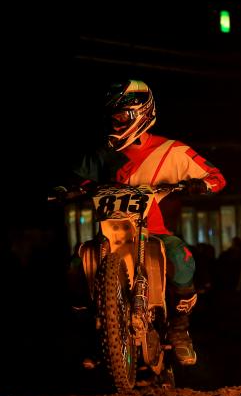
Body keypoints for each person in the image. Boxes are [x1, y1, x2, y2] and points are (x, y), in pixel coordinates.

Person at [68, 79, 226, 366]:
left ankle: (179, 330)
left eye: (121, 116)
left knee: (180, 258)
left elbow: (216, 177)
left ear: (140, 113)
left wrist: (200, 185)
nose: (115, 123)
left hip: (154, 231)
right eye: (112, 117)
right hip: (110, 235)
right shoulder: (103, 152)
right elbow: (80, 180)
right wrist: (70, 190)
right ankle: (94, 336)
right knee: (77, 266)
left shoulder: (171, 150)